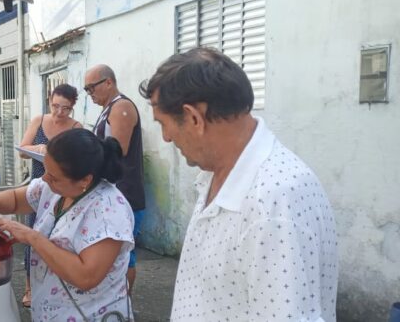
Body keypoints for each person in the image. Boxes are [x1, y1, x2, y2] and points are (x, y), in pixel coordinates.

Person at [140, 48, 338, 321]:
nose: (165, 138)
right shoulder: (217, 174)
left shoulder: (272, 203)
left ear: (194, 118)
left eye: (164, 124)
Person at [0, 128, 134, 321]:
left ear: (85, 180)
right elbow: (16, 199)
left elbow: (86, 277)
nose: (44, 179)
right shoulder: (55, 187)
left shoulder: (109, 210)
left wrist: (32, 237)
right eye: (46, 170)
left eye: (54, 176)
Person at [17, 83, 82, 308]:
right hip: (39, 185)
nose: (58, 112)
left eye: (65, 108)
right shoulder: (39, 121)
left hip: (64, 190)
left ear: (72, 107)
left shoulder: (76, 127)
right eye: (55, 106)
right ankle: (28, 287)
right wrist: (39, 149)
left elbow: (79, 162)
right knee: (32, 235)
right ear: (49, 102)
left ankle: (56, 287)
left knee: (59, 239)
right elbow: (23, 149)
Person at [84, 64, 146, 291]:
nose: (90, 94)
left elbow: (118, 151)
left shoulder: (121, 108)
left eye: (91, 88)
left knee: (124, 255)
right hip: (112, 194)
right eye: (86, 90)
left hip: (125, 195)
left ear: (108, 82)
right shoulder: (108, 108)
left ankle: (123, 305)